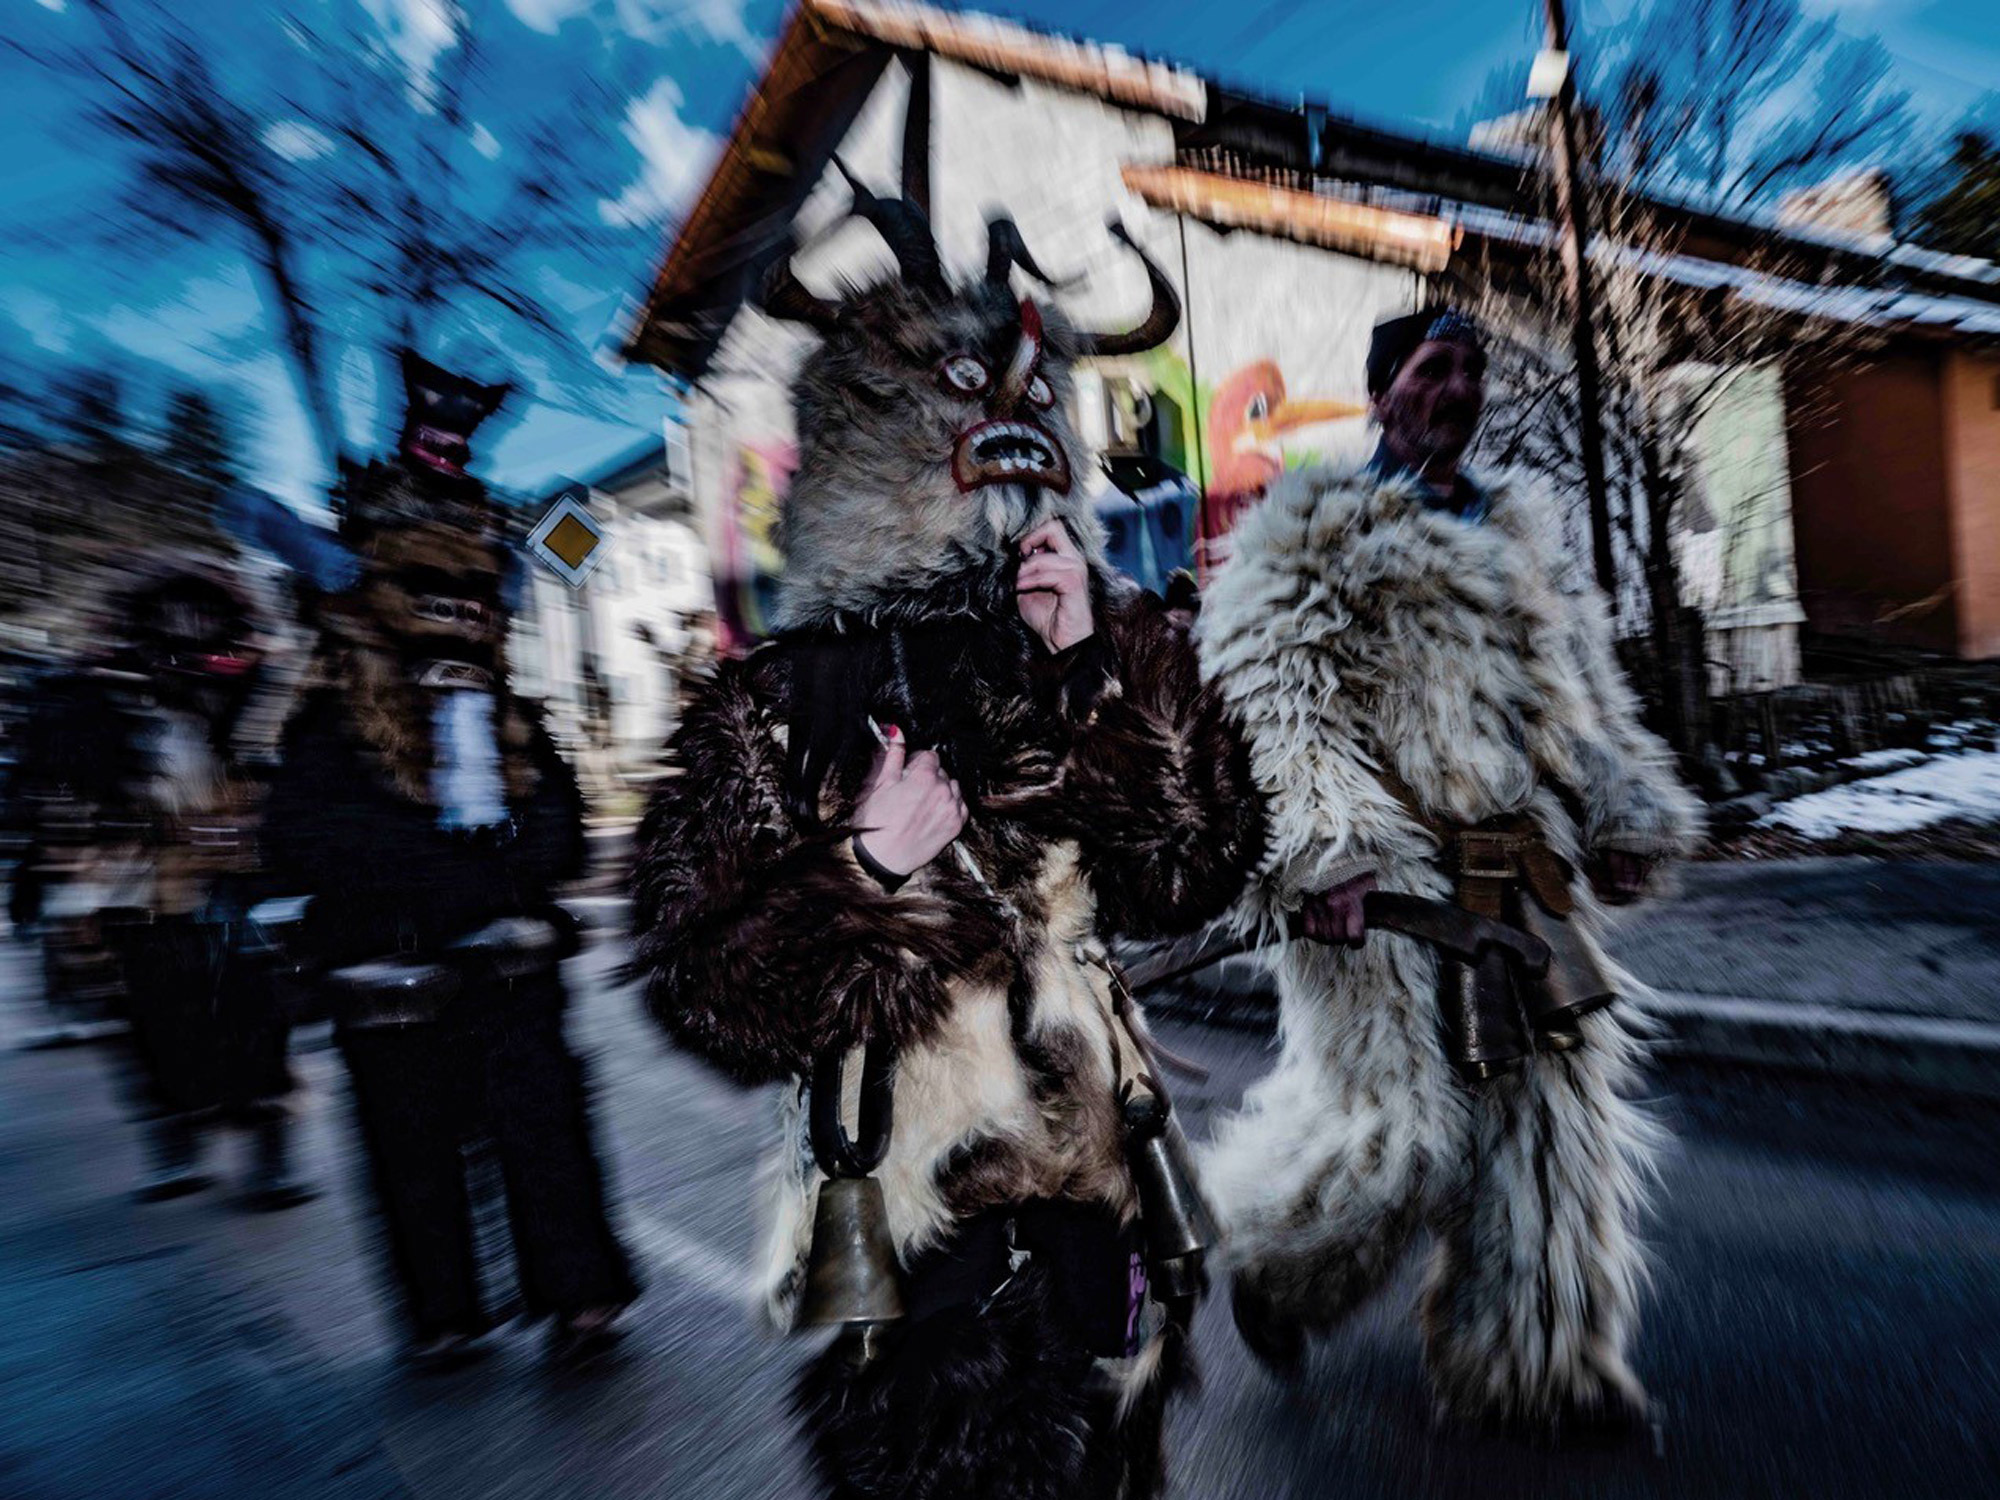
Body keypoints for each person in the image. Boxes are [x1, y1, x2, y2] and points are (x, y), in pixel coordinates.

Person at [629, 161, 1266, 1495]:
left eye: (1035, 395)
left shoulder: (1097, 644)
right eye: (969, 391)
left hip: (1097, 1184)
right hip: (908, 1213)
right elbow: (702, 990)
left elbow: (1191, 870)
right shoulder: (776, 701)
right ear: (882, 424)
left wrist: (1104, 681)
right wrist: (866, 874)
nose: (1012, 422)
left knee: (1114, 1460)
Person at [1196, 306, 1701, 1440]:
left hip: (1519, 863)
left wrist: (1621, 808)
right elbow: (1271, 703)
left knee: (1550, 1124)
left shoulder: (1520, 528)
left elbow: (1578, 694)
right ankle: (1280, 1268)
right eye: (1435, 369)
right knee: (1399, 1133)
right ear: (1381, 394)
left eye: (1471, 371)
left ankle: (1533, 1366)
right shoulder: (1307, 526)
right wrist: (1323, 848)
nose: (1459, 389)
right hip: (1375, 883)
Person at [265, 350, 637, 1368]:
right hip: (392, 969)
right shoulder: (329, 725)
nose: (455, 622)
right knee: (411, 1147)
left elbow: (561, 830)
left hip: (509, 966)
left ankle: (580, 1294)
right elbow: (292, 841)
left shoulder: (518, 721)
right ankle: (446, 1313)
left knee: (546, 1129)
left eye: (469, 605)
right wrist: (438, 879)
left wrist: (523, 861)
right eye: (427, 597)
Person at [9, 566, 307, 1206]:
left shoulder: (252, 682)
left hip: (232, 876)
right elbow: (60, 777)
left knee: (251, 1011)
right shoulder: (99, 692)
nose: (189, 643)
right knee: (153, 1017)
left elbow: (278, 765)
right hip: (138, 884)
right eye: (173, 629)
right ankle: (178, 1133)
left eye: (200, 628)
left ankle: (267, 1142)